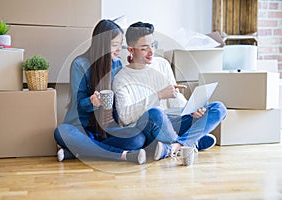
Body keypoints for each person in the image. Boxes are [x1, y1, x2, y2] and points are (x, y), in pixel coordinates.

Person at [112, 21, 227, 161]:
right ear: (130, 49)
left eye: (153, 45)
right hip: (149, 127)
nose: (151, 52)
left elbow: (174, 98)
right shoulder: (121, 78)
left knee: (218, 108)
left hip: (171, 122)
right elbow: (124, 117)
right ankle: (192, 141)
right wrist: (158, 96)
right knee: (155, 113)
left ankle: (175, 147)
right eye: (144, 48)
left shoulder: (162, 64)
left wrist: (191, 109)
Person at [54, 19, 147, 165]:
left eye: (120, 44)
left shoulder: (117, 64)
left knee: (137, 139)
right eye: (114, 45)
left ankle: (77, 151)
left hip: (107, 128)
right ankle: (121, 156)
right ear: (102, 45)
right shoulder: (80, 64)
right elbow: (79, 105)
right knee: (61, 132)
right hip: (81, 127)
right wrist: (93, 103)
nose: (118, 49)